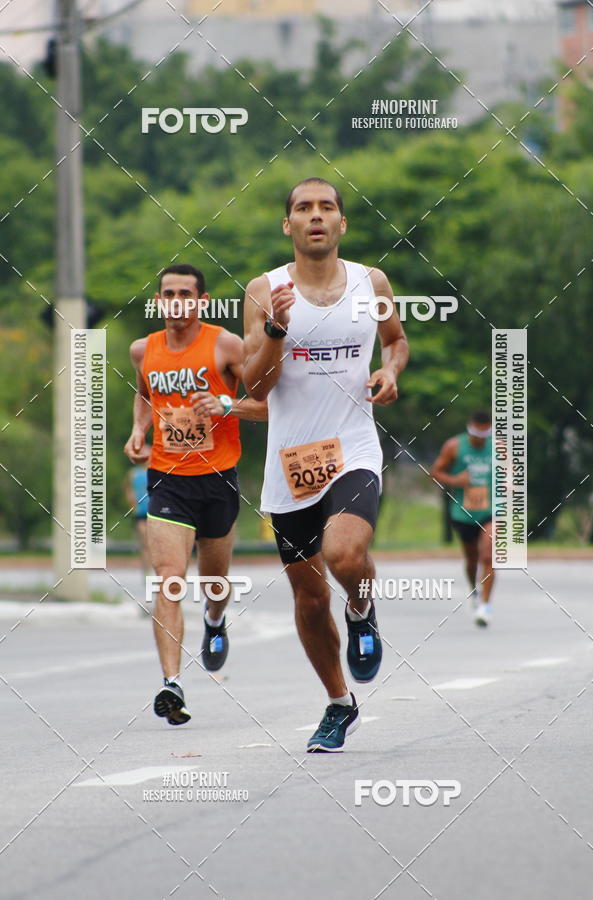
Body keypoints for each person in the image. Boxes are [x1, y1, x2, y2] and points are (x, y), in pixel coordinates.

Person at [242, 177, 408, 752]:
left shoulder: (371, 282)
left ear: (342, 223)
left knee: (344, 554)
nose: (316, 215)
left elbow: (395, 340)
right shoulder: (265, 290)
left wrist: (389, 370)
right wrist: (275, 331)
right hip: (290, 465)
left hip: (353, 449)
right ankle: (340, 704)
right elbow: (255, 386)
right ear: (287, 224)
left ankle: (361, 607)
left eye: (326, 207)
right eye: (303, 208)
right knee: (310, 600)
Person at [124, 263, 267, 725]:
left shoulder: (226, 345)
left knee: (214, 583)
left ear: (202, 301)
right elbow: (145, 393)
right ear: (159, 301)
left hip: (218, 478)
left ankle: (214, 620)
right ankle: (172, 684)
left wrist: (225, 404)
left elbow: (266, 405)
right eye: (168, 294)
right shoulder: (143, 349)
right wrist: (138, 429)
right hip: (167, 478)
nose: (176, 302)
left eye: (186, 294)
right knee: (169, 579)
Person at [430, 410, 494, 627]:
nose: (480, 440)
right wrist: (455, 481)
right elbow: (435, 473)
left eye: (485, 436)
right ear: (470, 429)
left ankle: (485, 606)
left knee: (488, 555)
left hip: (490, 510)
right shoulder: (454, 446)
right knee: (472, 559)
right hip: (463, 512)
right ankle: (474, 590)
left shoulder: (498, 448)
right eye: (477, 435)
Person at [124, 463, 151, 586]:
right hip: (141, 513)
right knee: (145, 543)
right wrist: (132, 502)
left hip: (155, 512)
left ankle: (159, 570)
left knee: (155, 544)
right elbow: (127, 487)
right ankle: (147, 572)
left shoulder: (156, 470)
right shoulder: (133, 473)